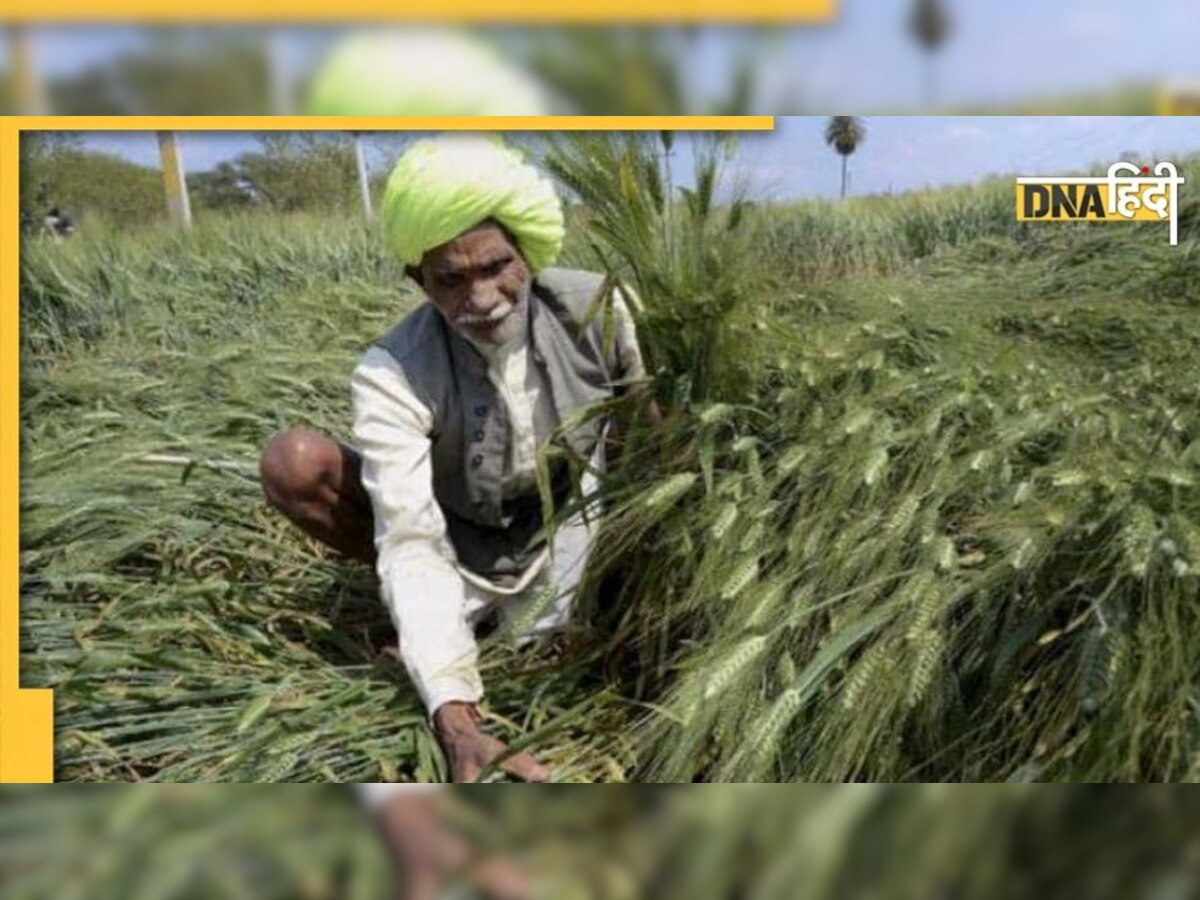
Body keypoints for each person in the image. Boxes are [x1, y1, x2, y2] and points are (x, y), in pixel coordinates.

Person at [260, 135, 655, 785]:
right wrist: (458, 720)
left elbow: (652, 442)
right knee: (293, 461)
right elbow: (411, 536)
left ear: (525, 254)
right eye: (450, 278)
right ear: (420, 281)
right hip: (459, 540)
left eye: (495, 266)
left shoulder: (601, 309)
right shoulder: (393, 372)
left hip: (578, 522)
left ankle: (557, 612)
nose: (479, 296)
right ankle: (452, 628)